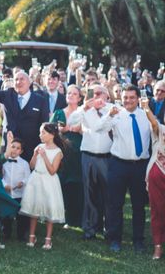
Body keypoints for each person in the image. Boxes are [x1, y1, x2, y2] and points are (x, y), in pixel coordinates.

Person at [93, 85, 151, 253]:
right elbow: (98, 128)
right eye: (125, 97)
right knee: (115, 204)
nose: (128, 101)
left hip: (140, 166)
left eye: (132, 97)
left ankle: (138, 240)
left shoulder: (145, 115)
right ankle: (115, 239)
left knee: (139, 205)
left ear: (138, 98)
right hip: (118, 164)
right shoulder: (116, 113)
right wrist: (109, 115)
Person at [70, 85, 113, 240]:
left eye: (101, 93)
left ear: (107, 96)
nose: (98, 96)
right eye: (94, 94)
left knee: (108, 195)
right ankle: (90, 228)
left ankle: (108, 229)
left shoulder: (113, 109)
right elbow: (71, 120)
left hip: (107, 158)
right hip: (88, 156)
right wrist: (84, 107)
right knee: (89, 194)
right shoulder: (85, 110)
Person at [0, 68, 50, 162]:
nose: (19, 82)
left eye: (22, 79)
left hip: (31, 145)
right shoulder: (8, 95)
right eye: (16, 79)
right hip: (11, 144)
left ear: (29, 82)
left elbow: (44, 123)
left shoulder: (40, 100)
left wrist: (43, 143)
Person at [19, 123, 65, 250]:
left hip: (49, 181)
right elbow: (32, 166)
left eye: (43, 133)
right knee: (34, 208)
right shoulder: (39, 146)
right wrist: (35, 154)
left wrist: (44, 156)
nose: (40, 135)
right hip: (36, 180)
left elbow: (52, 171)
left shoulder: (58, 152)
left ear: (52, 135)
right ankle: (32, 236)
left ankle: (48, 239)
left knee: (49, 209)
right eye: (40, 132)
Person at [50, 84, 83, 228]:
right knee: (62, 183)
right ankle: (62, 216)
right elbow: (49, 130)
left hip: (79, 152)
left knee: (77, 185)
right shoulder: (58, 113)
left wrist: (76, 129)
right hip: (62, 153)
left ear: (80, 98)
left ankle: (76, 218)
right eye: (69, 93)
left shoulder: (83, 112)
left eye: (74, 94)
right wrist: (59, 131)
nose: (70, 95)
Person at [143, 96, 165, 260]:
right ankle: (158, 246)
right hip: (157, 175)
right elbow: (153, 123)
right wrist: (146, 108)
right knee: (157, 211)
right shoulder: (161, 129)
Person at [1, 136, 31, 241]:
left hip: (19, 193)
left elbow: (28, 177)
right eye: (13, 147)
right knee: (6, 215)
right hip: (7, 193)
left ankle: (21, 235)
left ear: (21, 151)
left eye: (18, 148)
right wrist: (5, 185)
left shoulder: (24, 163)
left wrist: (22, 182)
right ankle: (6, 233)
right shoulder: (4, 162)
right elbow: (1, 176)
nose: (15, 150)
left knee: (21, 216)